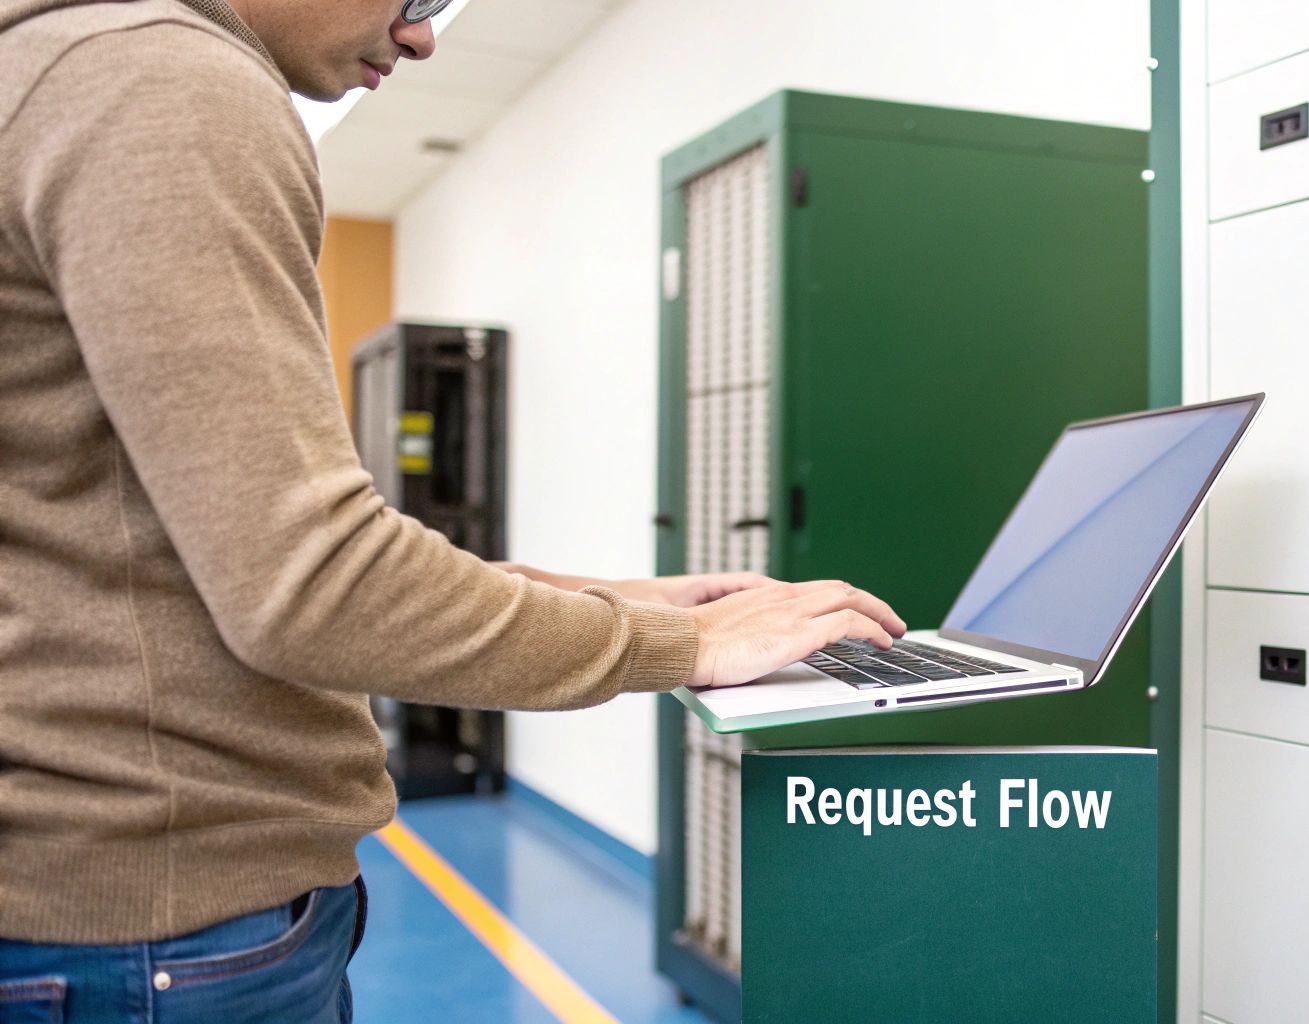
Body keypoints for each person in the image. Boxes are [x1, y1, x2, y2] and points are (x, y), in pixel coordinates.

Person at [0, 0, 904, 1019]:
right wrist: (678, 645)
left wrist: (635, 598)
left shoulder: (61, 71)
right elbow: (313, 584)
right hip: (153, 933)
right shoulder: (159, 82)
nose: (424, 35)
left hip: (133, 915)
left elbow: (175, 554)